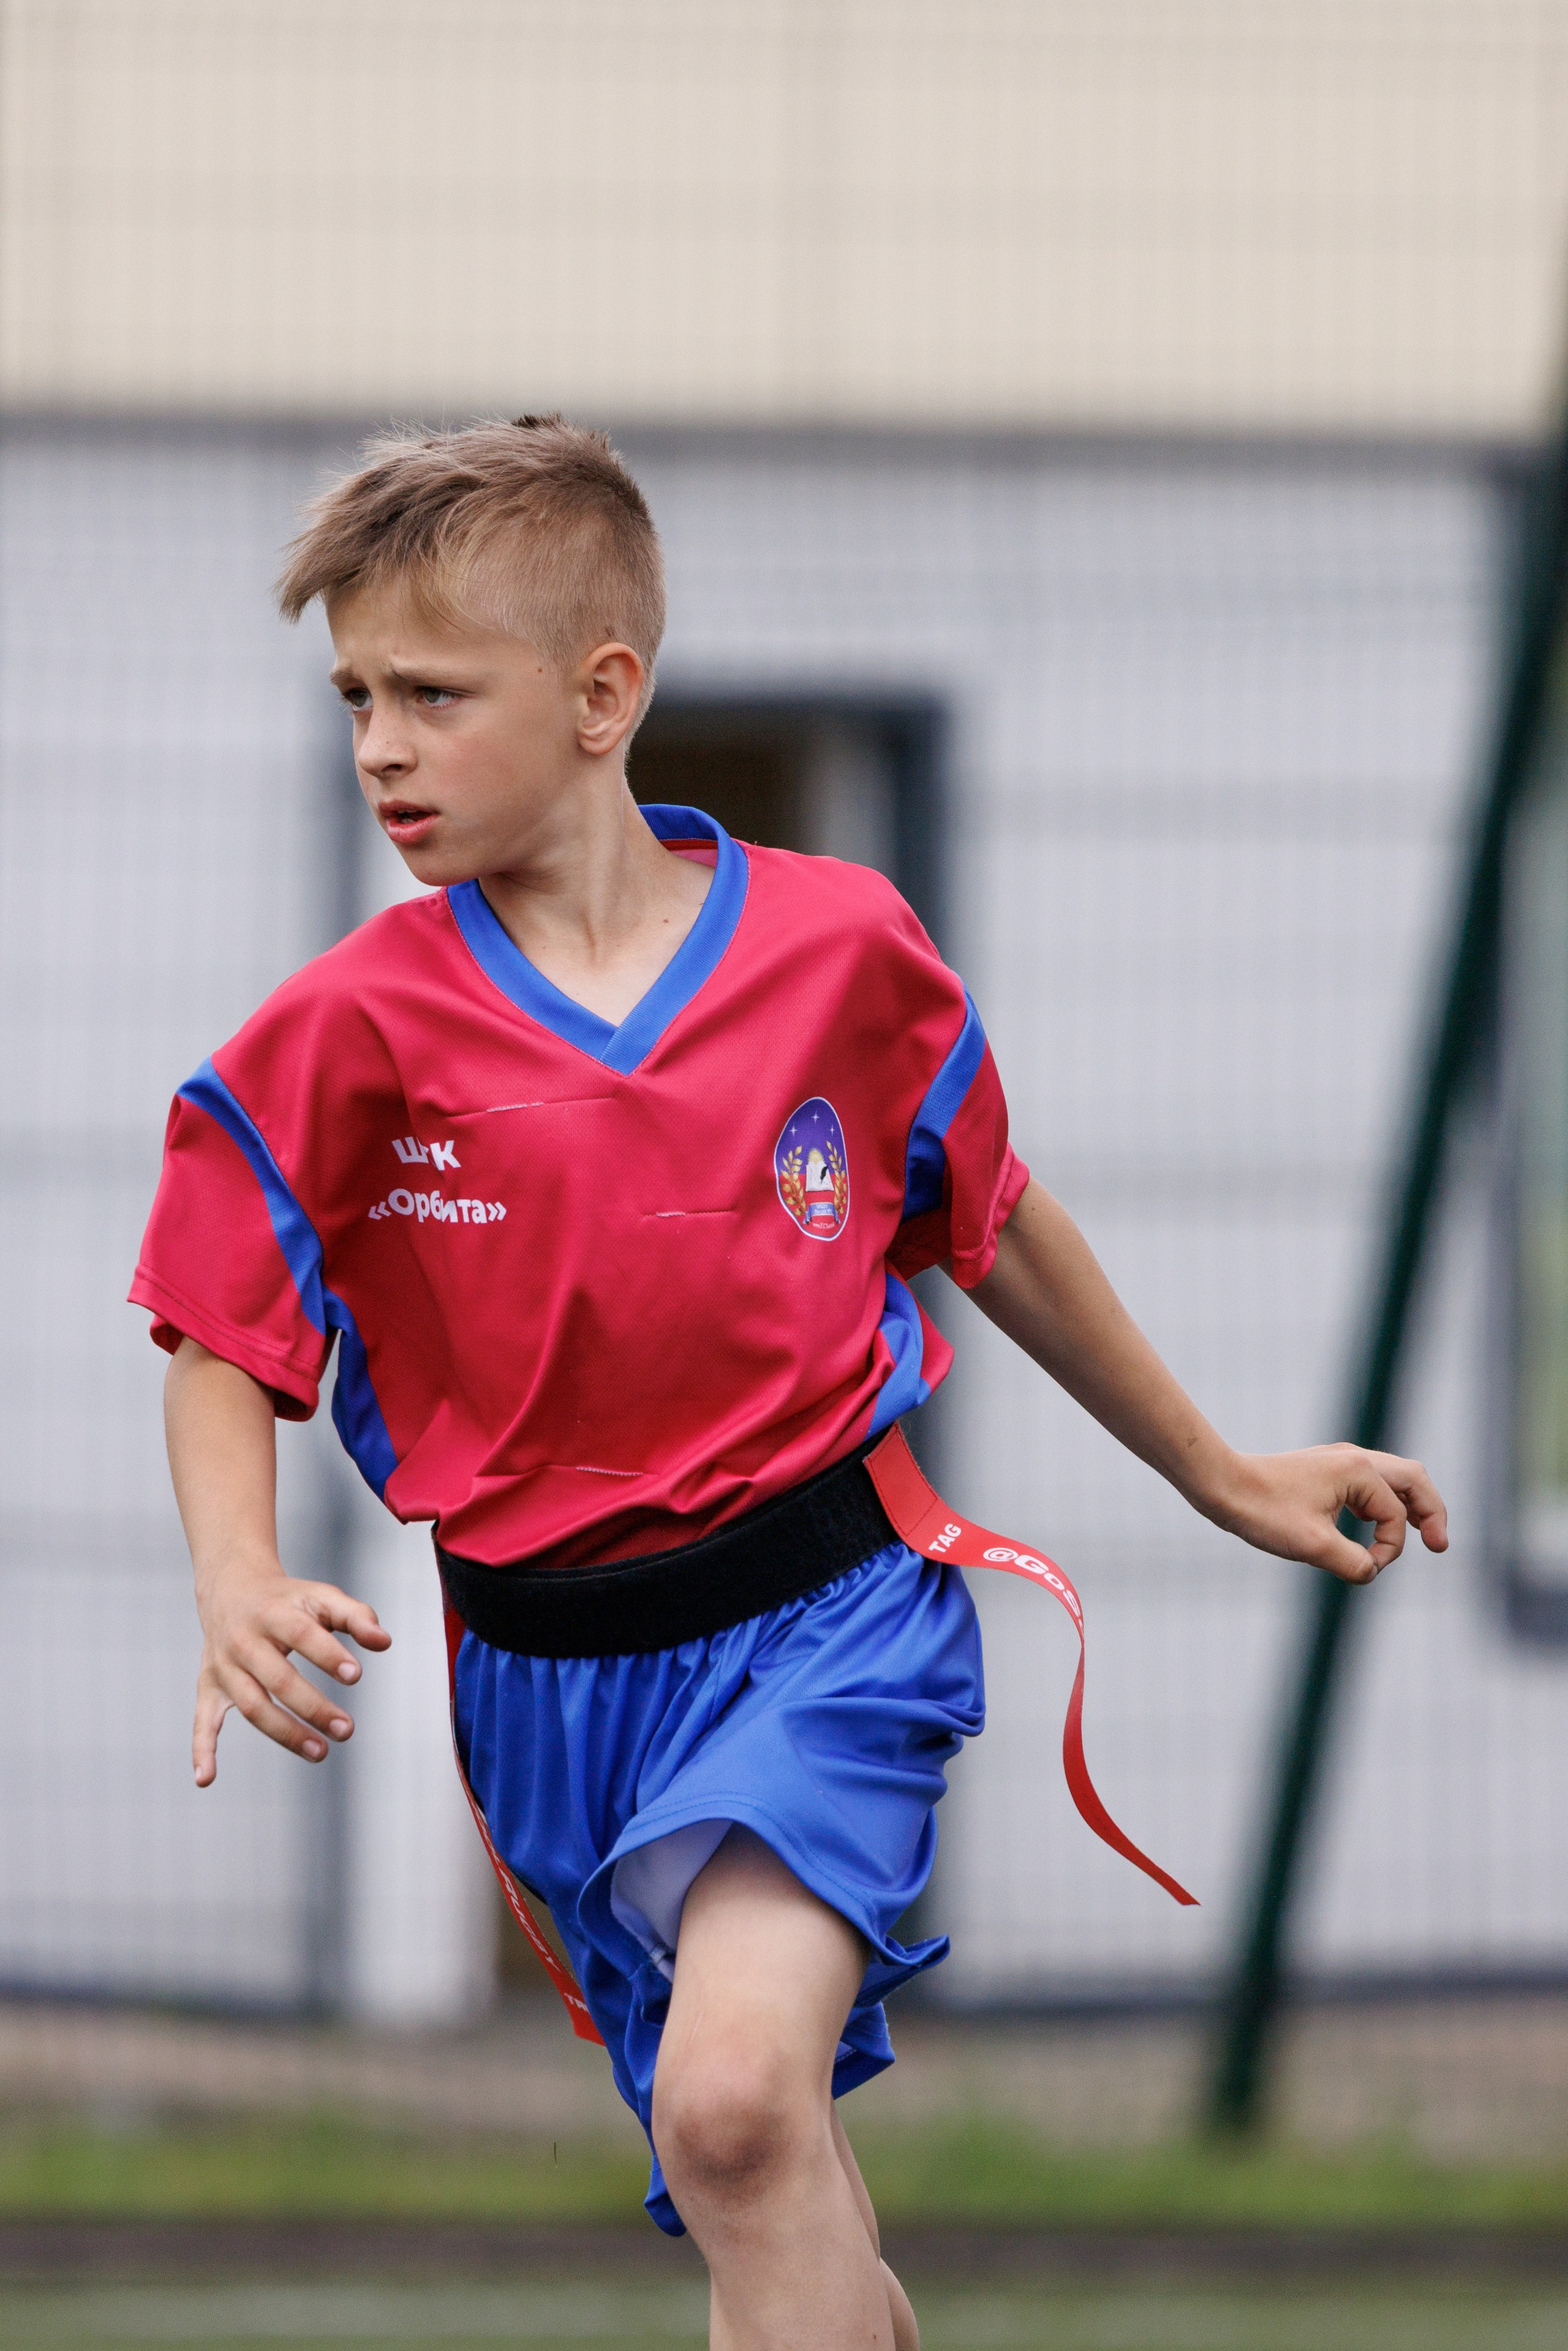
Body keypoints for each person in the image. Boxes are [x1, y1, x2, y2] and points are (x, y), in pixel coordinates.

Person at [132, 417, 1449, 2351]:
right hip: (550, 1692)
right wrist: (236, 1576)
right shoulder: (345, 1033)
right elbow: (216, 1333)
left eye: (430, 693)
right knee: (773, 2190)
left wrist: (1215, 1472)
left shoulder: (843, 952)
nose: (380, 748)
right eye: (353, 699)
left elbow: (987, 1220)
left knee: (738, 2108)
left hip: (827, 1621)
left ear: (605, 696)